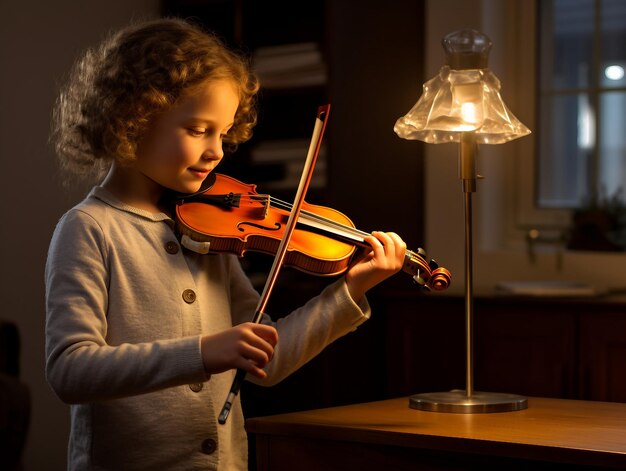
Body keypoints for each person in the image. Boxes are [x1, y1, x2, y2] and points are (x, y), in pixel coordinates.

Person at [45, 17, 406, 471]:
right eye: (198, 130)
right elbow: (70, 370)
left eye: (223, 132)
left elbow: (267, 360)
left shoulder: (208, 228)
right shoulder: (90, 228)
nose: (217, 150)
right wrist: (202, 352)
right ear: (132, 119)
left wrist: (350, 290)